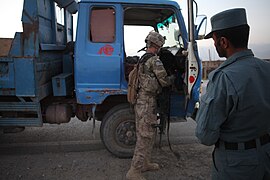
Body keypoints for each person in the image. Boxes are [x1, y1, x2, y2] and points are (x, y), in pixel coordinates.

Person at [195, 8, 270, 180]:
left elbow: (205, 136)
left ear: (223, 42)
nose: (214, 45)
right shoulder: (267, 69)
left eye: (214, 41)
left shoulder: (223, 78)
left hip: (237, 164)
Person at [126, 31, 175, 180]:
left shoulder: (142, 58)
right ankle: (134, 171)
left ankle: (145, 163)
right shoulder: (154, 60)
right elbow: (164, 81)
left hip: (143, 101)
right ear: (157, 45)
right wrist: (173, 78)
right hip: (147, 102)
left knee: (149, 134)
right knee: (145, 136)